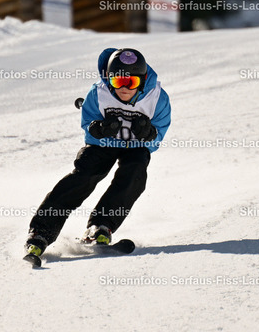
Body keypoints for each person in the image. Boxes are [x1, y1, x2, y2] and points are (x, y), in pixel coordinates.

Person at [25, 47, 172, 257]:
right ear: (109, 79)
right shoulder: (99, 93)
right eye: (118, 82)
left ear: (142, 80)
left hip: (136, 147)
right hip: (103, 144)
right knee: (85, 175)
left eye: (131, 82)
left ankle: (101, 225)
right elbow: (88, 123)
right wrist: (98, 129)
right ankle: (41, 231)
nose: (124, 88)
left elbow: (158, 135)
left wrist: (149, 134)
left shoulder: (157, 98)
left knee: (135, 175)